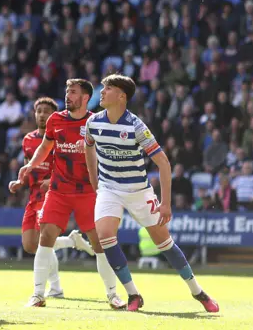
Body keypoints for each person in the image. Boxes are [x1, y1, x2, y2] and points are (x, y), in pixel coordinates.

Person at [84, 74, 219, 312]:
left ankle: (198, 292)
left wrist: (166, 204)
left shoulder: (136, 126)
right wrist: (95, 180)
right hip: (109, 188)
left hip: (138, 190)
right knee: (105, 236)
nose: (101, 92)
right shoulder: (93, 123)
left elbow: (164, 164)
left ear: (121, 96)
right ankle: (133, 294)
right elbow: (88, 147)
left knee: (164, 244)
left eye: (107, 88)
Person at [18, 79, 124, 309]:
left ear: (86, 98)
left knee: (99, 243)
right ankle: (38, 294)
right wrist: (31, 165)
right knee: (45, 237)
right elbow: (45, 147)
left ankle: (112, 294)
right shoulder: (56, 120)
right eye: (67, 91)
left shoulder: (96, 121)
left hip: (88, 191)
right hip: (59, 190)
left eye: (73, 92)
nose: (68, 95)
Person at [9, 96, 94, 299]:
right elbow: (29, 166)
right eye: (39, 111)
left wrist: (53, 178)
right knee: (30, 245)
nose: (42, 115)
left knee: (43, 242)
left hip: (53, 193)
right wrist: (20, 182)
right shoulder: (28, 139)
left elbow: (68, 162)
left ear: (54, 115)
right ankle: (71, 242)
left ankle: (55, 288)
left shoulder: (59, 136)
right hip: (33, 195)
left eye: (47, 111)